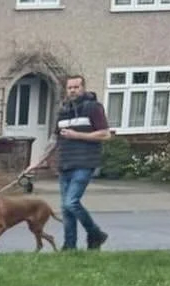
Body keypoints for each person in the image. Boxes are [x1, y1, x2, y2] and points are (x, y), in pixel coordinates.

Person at [26, 73, 111, 250]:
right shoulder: (64, 111)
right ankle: (69, 245)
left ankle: (95, 233)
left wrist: (77, 135)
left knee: (71, 202)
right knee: (66, 209)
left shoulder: (93, 107)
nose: (72, 90)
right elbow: (54, 140)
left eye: (76, 87)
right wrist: (37, 162)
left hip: (84, 163)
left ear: (83, 88)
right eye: (70, 88)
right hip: (65, 164)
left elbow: (105, 133)